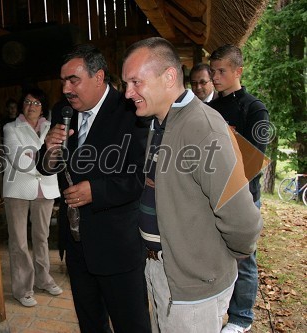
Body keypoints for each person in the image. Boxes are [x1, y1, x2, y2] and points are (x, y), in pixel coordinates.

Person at [121, 37, 263, 333]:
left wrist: (211, 264)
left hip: (194, 288)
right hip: (162, 271)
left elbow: (244, 222)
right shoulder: (157, 123)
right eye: (126, 84)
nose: (128, 93)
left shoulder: (203, 128)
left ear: (169, 76)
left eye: (135, 82)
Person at [37, 44, 150, 333]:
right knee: (90, 323)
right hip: (76, 243)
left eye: (73, 80)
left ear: (98, 77)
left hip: (116, 244)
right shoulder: (63, 111)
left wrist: (96, 192)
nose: (66, 88)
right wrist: (49, 151)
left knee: (131, 324)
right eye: (63, 81)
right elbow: (45, 165)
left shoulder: (130, 111)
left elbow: (140, 176)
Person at [209, 44, 269, 333]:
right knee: (215, 255)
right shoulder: (209, 109)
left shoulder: (255, 108)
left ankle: (241, 318)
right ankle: (218, 309)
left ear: (238, 71)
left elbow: (254, 160)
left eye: (221, 71)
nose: (215, 76)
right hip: (210, 198)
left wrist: (230, 140)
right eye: (213, 71)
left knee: (244, 260)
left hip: (244, 198)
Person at [2, 88, 62, 307]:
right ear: (21, 105)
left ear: (43, 107)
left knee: (41, 238)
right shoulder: (11, 128)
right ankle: (22, 289)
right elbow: (17, 158)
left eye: (36, 103)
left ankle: (43, 279)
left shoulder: (51, 128)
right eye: (27, 102)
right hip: (18, 190)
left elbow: (58, 156)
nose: (31, 107)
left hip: (45, 188)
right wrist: (42, 160)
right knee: (19, 241)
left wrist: (35, 157)